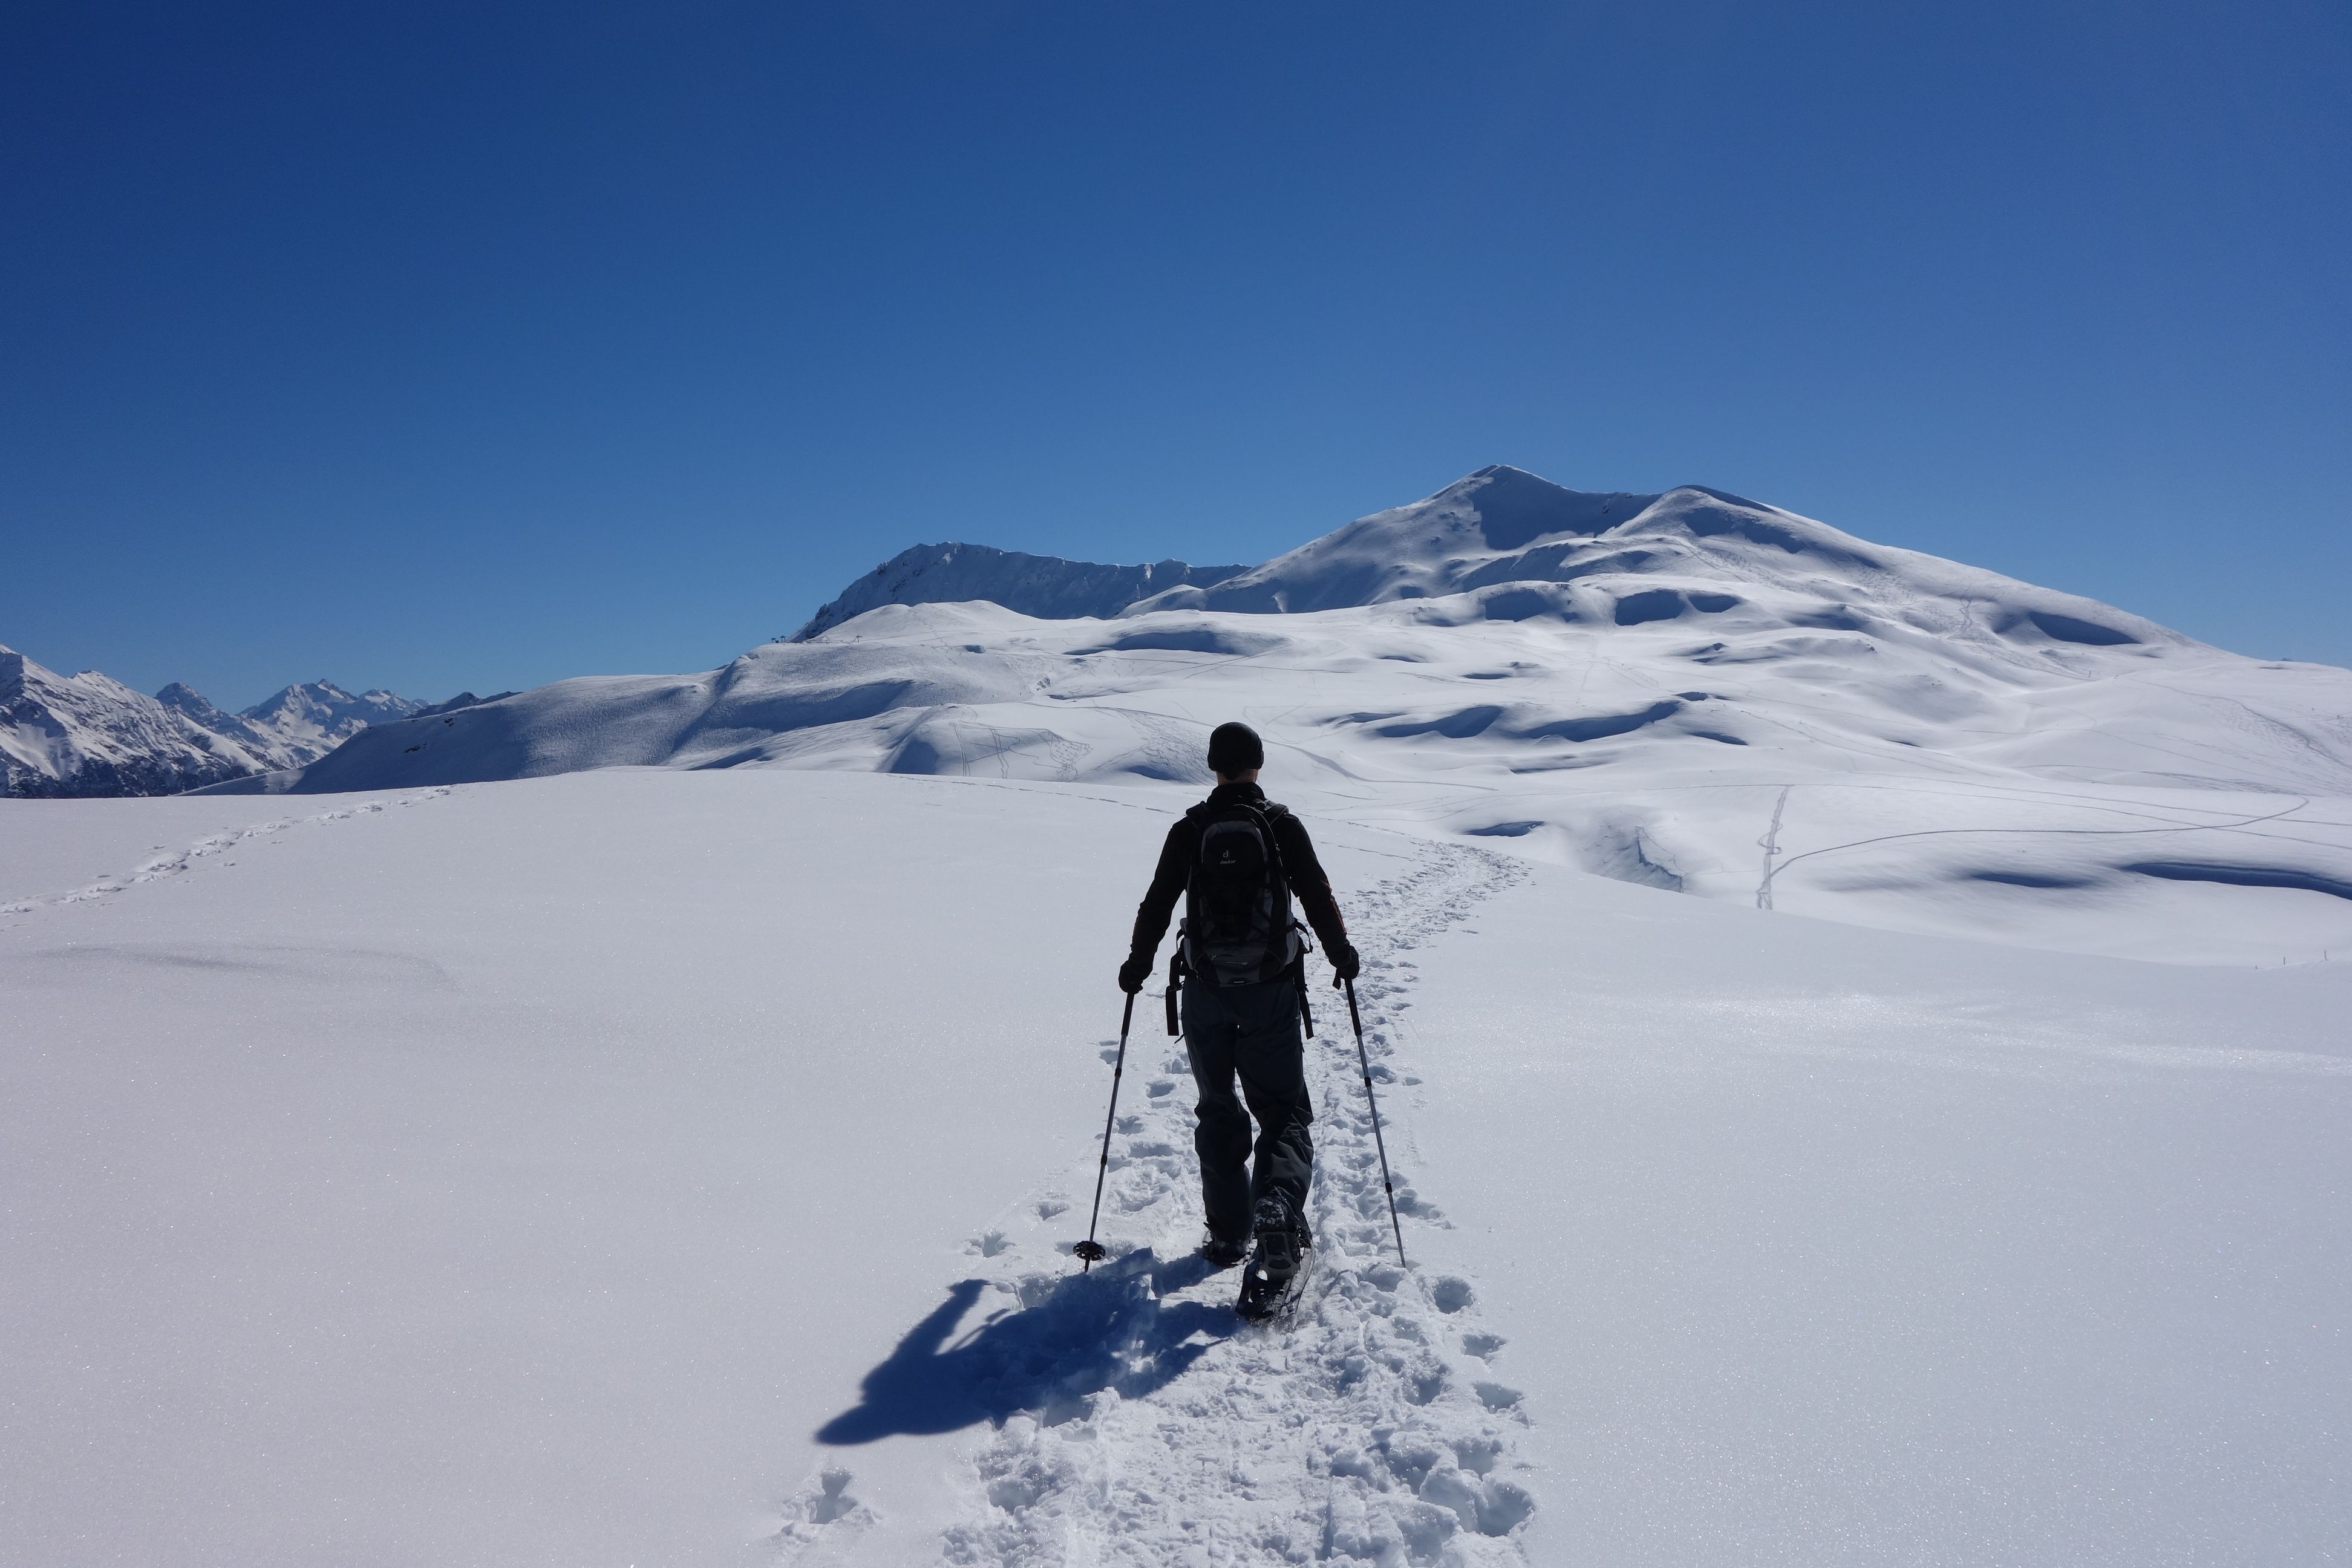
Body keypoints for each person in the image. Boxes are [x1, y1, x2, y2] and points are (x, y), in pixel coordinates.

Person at [1119, 721, 1359, 1294]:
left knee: (1219, 1108)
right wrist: (1341, 953)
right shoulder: (1281, 826)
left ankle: (1229, 1234)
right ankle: (1276, 1206)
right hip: (1271, 990)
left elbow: (1157, 902)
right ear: (1258, 764)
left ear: (1212, 766)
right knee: (1282, 1111)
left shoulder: (1191, 829)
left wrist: (1138, 963)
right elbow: (1317, 894)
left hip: (1205, 991)